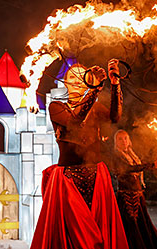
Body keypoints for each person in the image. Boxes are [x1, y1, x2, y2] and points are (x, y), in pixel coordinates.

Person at [30, 59, 129, 249]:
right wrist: (94, 91)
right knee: (76, 234)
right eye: (71, 77)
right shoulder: (56, 107)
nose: (76, 81)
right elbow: (75, 121)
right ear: (65, 83)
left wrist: (115, 84)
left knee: (100, 229)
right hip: (68, 179)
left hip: (96, 176)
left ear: (86, 81)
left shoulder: (95, 107)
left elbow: (115, 117)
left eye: (81, 77)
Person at [111, 129, 157, 249]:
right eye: (120, 139)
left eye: (125, 138)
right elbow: (129, 169)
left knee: (143, 226)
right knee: (130, 227)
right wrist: (151, 165)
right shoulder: (117, 156)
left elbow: (139, 166)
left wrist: (155, 161)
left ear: (129, 141)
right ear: (115, 142)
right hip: (126, 197)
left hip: (138, 195)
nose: (123, 141)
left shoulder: (132, 155)